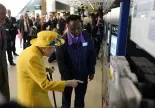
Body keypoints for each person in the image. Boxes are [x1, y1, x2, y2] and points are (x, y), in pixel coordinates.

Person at [17, 30, 83, 108]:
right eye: (52, 47)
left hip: (31, 93)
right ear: (44, 47)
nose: (54, 50)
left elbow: (31, 69)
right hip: (33, 99)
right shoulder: (33, 58)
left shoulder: (31, 51)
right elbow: (45, 84)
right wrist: (67, 83)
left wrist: (45, 69)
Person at [56, 15, 96, 108]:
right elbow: (61, 63)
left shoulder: (87, 37)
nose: (77, 31)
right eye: (73, 29)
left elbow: (91, 55)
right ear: (67, 26)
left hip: (82, 74)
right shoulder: (61, 41)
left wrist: (91, 71)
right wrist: (68, 80)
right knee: (66, 101)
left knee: (80, 100)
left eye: (79, 28)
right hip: (67, 77)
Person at [0, 3, 10, 101]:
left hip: (3, 71)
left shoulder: (2, 30)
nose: (4, 16)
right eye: (1, 13)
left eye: (4, 13)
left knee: (5, 96)